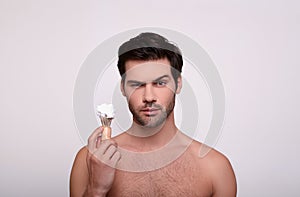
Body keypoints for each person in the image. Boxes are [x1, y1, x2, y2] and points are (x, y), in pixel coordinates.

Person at [70, 32, 237, 197]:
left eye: (160, 83)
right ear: (122, 88)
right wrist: (96, 189)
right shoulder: (90, 161)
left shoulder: (215, 168)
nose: (149, 97)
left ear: (178, 84)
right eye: (137, 84)